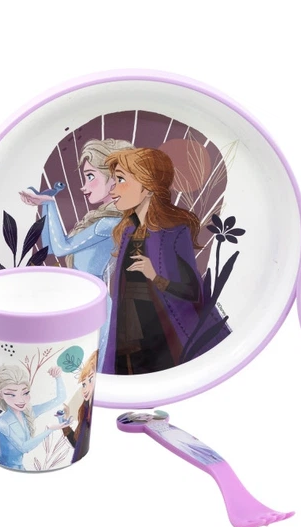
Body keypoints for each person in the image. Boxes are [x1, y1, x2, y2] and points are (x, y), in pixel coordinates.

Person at [102, 147, 230, 375]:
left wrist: (155, 277)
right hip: (128, 336)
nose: (112, 188)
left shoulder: (174, 232)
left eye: (121, 179)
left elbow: (193, 292)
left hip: (164, 337)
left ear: (148, 186)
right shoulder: (128, 230)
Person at [19, 138, 134, 369]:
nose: (84, 186)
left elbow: (62, 247)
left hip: (95, 304)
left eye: (91, 176)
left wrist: (50, 203)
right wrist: (47, 204)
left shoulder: (109, 223)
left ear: (113, 178)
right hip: (84, 300)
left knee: (90, 371)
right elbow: (52, 248)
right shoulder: (102, 218)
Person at [0, 365, 68, 470]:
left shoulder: (28, 412)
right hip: (6, 469)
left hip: (20, 467)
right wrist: (50, 430)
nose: (21, 400)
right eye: (12, 395)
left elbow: (60, 399)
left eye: (25, 393)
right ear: (0, 395)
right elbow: (24, 447)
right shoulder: (4, 422)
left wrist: (58, 377)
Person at [62, 350, 97, 463]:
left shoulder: (88, 408)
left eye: (90, 379)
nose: (85, 389)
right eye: (83, 384)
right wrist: (64, 421)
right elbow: (78, 444)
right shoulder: (84, 409)